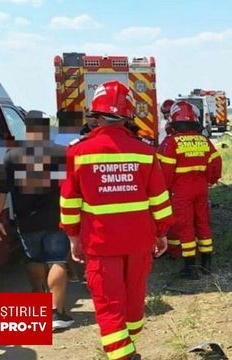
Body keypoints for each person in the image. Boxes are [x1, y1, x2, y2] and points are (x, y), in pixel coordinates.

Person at [60, 80, 173, 360]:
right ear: (128, 115)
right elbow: (159, 200)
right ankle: (129, 348)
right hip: (139, 242)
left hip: (100, 244)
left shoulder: (78, 152)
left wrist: (73, 237)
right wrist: (162, 233)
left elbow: (69, 202)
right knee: (134, 302)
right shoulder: (145, 152)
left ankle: (123, 354)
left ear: (95, 115)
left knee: (109, 306)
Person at [0, 110, 74, 331]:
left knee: (34, 259)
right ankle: (58, 313)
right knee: (57, 260)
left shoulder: (12, 156)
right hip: (58, 218)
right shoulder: (62, 153)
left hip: (28, 222)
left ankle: (38, 305)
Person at [157, 101, 221, 279]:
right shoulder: (205, 141)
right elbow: (215, 166)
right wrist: (208, 180)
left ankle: (190, 268)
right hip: (201, 189)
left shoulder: (171, 143)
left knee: (185, 226)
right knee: (202, 223)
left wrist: (165, 191)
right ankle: (207, 264)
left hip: (181, 192)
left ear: (174, 122)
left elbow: (164, 174)